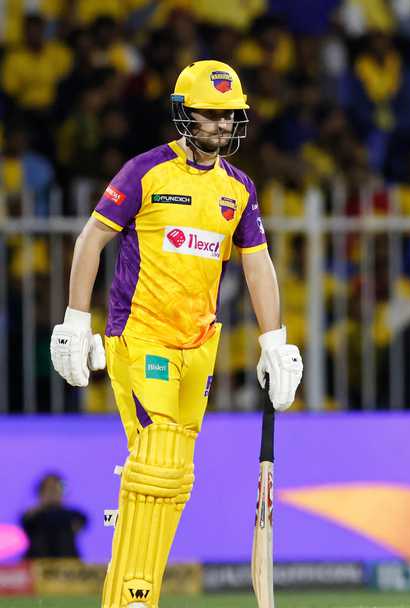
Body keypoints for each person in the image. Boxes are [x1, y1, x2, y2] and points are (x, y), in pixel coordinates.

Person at [48, 60, 303, 608]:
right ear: (185, 113)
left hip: (199, 347)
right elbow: (90, 240)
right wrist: (75, 320)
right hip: (141, 337)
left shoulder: (238, 188)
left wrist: (274, 341)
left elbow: (257, 264)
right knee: (158, 458)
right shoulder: (145, 171)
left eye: (229, 115)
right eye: (210, 114)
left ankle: (133, 594)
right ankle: (133, 600)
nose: (221, 124)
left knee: (174, 477)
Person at [20, 472, 88, 559]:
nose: (52, 493)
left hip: (67, 563)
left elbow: (80, 523)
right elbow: (26, 522)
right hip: (37, 563)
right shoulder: (32, 517)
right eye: (49, 489)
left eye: (55, 489)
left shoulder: (73, 516)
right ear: (41, 493)